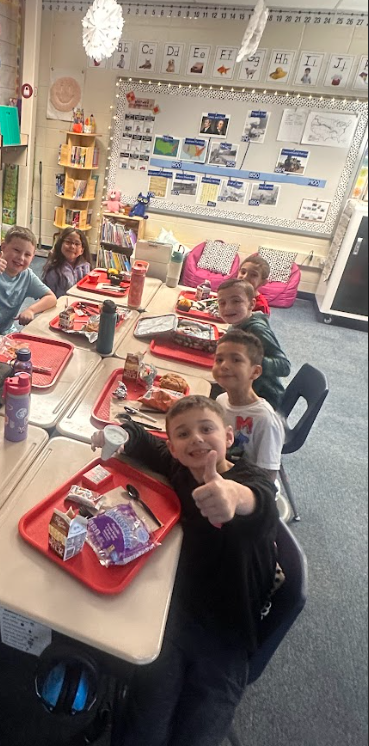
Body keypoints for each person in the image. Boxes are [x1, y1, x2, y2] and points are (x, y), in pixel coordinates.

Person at [91, 396, 279, 746]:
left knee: (199, 731)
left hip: (228, 630)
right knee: (144, 724)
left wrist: (233, 497)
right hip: (175, 613)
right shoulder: (179, 468)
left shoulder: (245, 479)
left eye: (207, 429)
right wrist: (121, 433)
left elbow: (263, 502)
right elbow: (144, 441)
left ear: (229, 436)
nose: (196, 439)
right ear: (174, 449)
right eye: (183, 434)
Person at [213, 330, 285, 483]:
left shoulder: (265, 419)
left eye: (236, 360)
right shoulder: (220, 401)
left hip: (247, 486)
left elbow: (268, 477)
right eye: (219, 359)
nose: (224, 366)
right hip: (221, 475)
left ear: (255, 372)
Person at [217, 279, 291, 410]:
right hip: (240, 386)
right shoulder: (236, 324)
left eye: (236, 301)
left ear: (251, 304)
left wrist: (248, 362)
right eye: (222, 303)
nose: (228, 308)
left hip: (262, 397)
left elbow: (284, 366)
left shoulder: (257, 330)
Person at [0, 226, 57, 334]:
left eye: (27, 255)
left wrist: (31, 310)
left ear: (32, 257)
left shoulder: (27, 276)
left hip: (4, 331)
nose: (21, 258)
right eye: (16, 250)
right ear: (3, 247)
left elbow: (51, 298)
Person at [42, 227, 91, 298]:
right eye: (68, 242)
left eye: (77, 244)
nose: (72, 246)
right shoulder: (54, 270)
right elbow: (47, 297)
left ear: (82, 250)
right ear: (60, 245)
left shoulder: (85, 266)